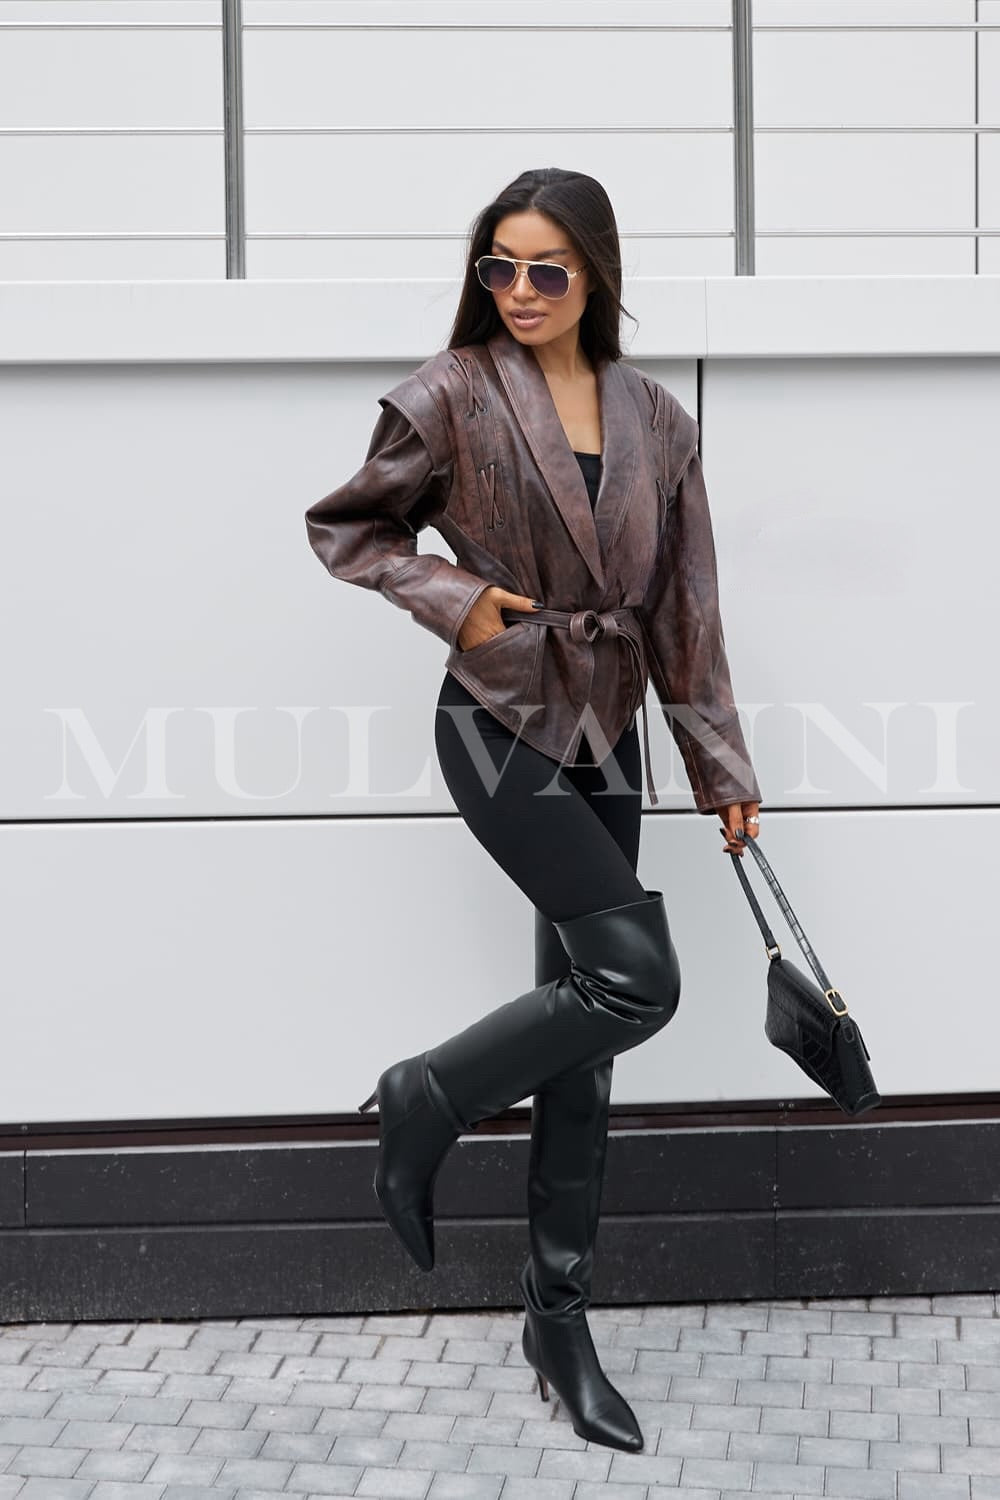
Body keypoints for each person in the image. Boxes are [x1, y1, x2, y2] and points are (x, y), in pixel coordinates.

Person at [304, 167, 762, 1453]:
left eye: (546, 270)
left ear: (597, 277)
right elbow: (349, 531)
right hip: (498, 721)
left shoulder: (658, 419)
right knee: (636, 979)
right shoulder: (448, 393)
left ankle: (556, 1320)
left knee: (591, 1031)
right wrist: (460, 599)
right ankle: (426, 1095)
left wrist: (720, 770)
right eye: (497, 266)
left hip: (609, 728)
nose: (517, 292)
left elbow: (687, 611)